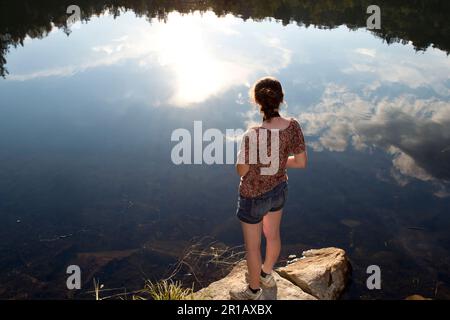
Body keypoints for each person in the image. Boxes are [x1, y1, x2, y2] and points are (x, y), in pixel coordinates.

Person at [230, 77, 307, 300]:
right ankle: (265, 274)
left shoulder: (252, 134)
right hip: (279, 190)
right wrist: (277, 163)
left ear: (256, 101)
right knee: (272, 235)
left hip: (253, 196)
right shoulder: (293, 126)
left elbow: (241, 171)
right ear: (281, 98)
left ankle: (253, 291)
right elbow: (300, 163)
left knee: (253, 247)